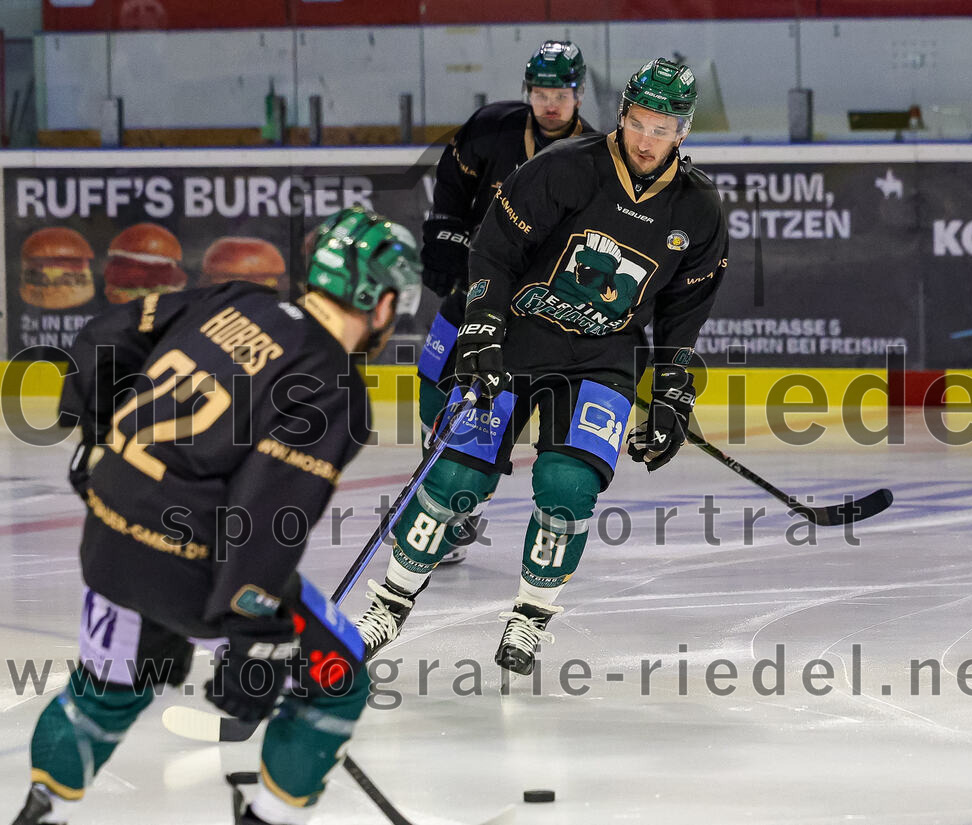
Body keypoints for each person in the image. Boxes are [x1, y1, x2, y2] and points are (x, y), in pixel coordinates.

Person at [12, 208, 422, 825]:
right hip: (194, 570)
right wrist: (254, 637)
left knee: (107, 688)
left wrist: (97, 436)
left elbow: (103, 336)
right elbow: (264, 517)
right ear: (380, 302)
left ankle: (40, 812)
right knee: (341, 676)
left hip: (107, 538)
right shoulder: (331, 382)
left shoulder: (235, 299)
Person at [354, 58, 729, 676]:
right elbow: (493, 250)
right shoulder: (565, 168)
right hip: (517, 346)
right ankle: (389, 604)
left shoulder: (698, 210)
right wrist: (478, 333)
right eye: (638, 122)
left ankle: (530, 617)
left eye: (662, 129)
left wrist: (671, 394)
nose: (645, 140)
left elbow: (683, 314)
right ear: (624, 115)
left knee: (567, 489)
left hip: (602, 362)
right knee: (454, 482)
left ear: (682, 133)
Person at [417, 39, 595, 565]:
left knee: (486, 403)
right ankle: (444, 497)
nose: (550, 104)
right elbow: (450, 191)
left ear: (578, 94)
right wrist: (444, 240)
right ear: (528, 93)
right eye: (540, 92)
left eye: (560, 92)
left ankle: (458, 506)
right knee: (433, 389)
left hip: (534, 306)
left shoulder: (597, 156)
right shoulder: (491, 129)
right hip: (474, 286)